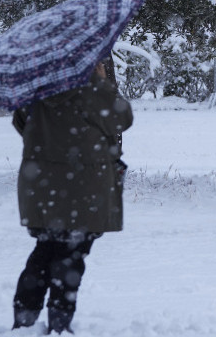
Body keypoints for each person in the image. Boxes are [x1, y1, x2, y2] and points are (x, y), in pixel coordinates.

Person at [11, 61, 133, 333]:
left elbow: (23, 125)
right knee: (70, 255)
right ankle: (59, 323)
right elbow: (122, 119)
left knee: (45, 250)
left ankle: (25, 319)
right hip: (83, 190)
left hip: (42, 187)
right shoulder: (88, 87)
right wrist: (101, 82)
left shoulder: (35, 87)